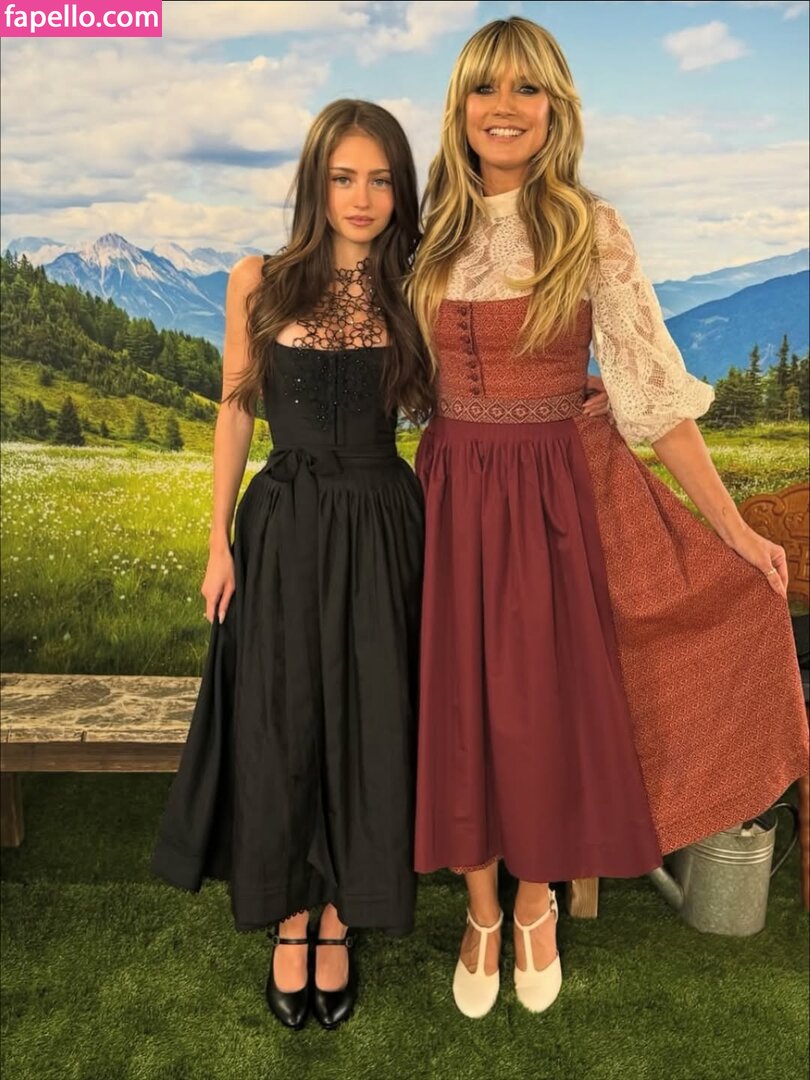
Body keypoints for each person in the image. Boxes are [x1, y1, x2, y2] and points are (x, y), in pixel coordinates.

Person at [407, 16, 809, 1020]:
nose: (505, 108)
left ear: (556, 110)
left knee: (541, 703)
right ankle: (481, 909)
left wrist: (734, 532)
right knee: (458, 701)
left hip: (553, 495)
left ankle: (534, 900)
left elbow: (653, 396)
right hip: (450, 492)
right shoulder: (427, 231)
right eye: (486, 87)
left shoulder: (590, 228)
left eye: (527, 89)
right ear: (460, 107)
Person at [151, 99, 435, 1031]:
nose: (362, 197)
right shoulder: (258, 280)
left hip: (383, 523)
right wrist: (217, 541)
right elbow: (236, 410)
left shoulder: (418, 285)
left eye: (381, 179)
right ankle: (287, 916)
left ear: (401, 189)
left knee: (369, 714)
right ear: (316, 181)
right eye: (344, 176)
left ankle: (343, 913)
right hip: (281, 522)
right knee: (283, 714)